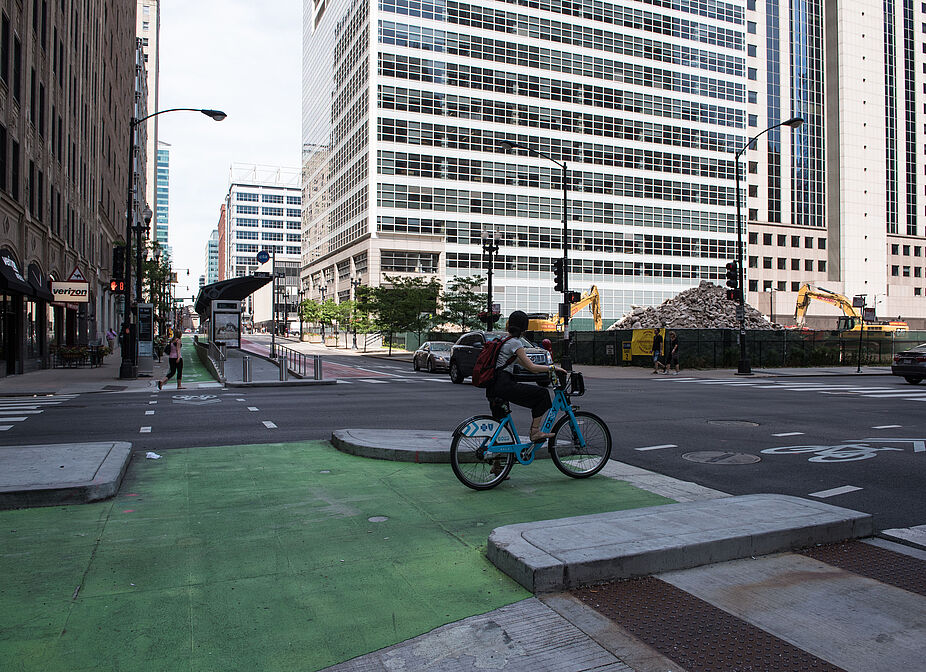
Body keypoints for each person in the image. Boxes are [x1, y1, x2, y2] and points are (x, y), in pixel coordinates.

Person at [486, 310, 568, 444]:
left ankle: (498, 463)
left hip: (493, 386)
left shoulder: (503, 341)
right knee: (542, 395)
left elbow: (525, 365)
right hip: (504, 385)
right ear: (525, 327)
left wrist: (542, 370)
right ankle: (535, 431)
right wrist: (553, 368)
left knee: (501, 426)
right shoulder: (515, 343)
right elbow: (531, 367)